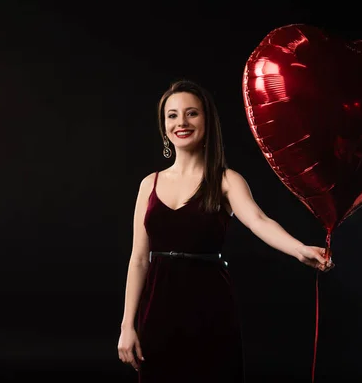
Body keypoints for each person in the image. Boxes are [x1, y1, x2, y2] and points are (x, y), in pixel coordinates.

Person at [117, 80, 334, 382]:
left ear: (207, 120)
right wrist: (128, 326)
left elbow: (258, 220)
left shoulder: (226, 180)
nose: (181, 122)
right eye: (172, 115)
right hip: (158, 309)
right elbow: (138, 260)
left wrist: (299, 249)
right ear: (164, 125)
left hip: (211, 307)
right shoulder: (148, 184)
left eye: (191, 113)